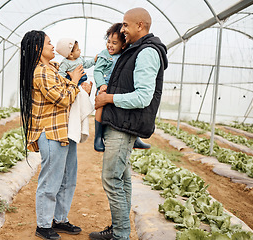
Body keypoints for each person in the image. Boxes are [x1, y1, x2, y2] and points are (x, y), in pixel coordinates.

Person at [89, 7, 168, 240]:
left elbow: (143, 96)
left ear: (140, 25)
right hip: (120, 122)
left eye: (125, 25)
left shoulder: (146, 53)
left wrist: (108, 98)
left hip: (124, 126)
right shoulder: (134, 51)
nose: (122, 29)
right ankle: (119, 228)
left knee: (111, 178)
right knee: (121, 179)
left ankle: (121, 234)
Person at [19, 30, 87, 240]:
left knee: (67, 177)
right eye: (48, 43)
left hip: (65, 130)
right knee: (51, 180)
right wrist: (75, 81)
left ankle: (59, 219)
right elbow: (63, 98)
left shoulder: (53, 69)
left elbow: (67, 92)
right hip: (50, 132)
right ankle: (43, 225)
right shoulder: (40, 72)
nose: (52, 46)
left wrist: (78, 85)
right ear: (38, 48)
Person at [93, 23, 151, 152]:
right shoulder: (104, 55)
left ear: (123, 45)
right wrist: (101, 84)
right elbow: (97, 71)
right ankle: (97, 137)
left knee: (129, 106)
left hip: (118, 87)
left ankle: (135, 138)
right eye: (108, 42)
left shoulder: (126, 54)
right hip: (105, 86)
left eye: (114, 43)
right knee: (100, 107)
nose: (110, 45)